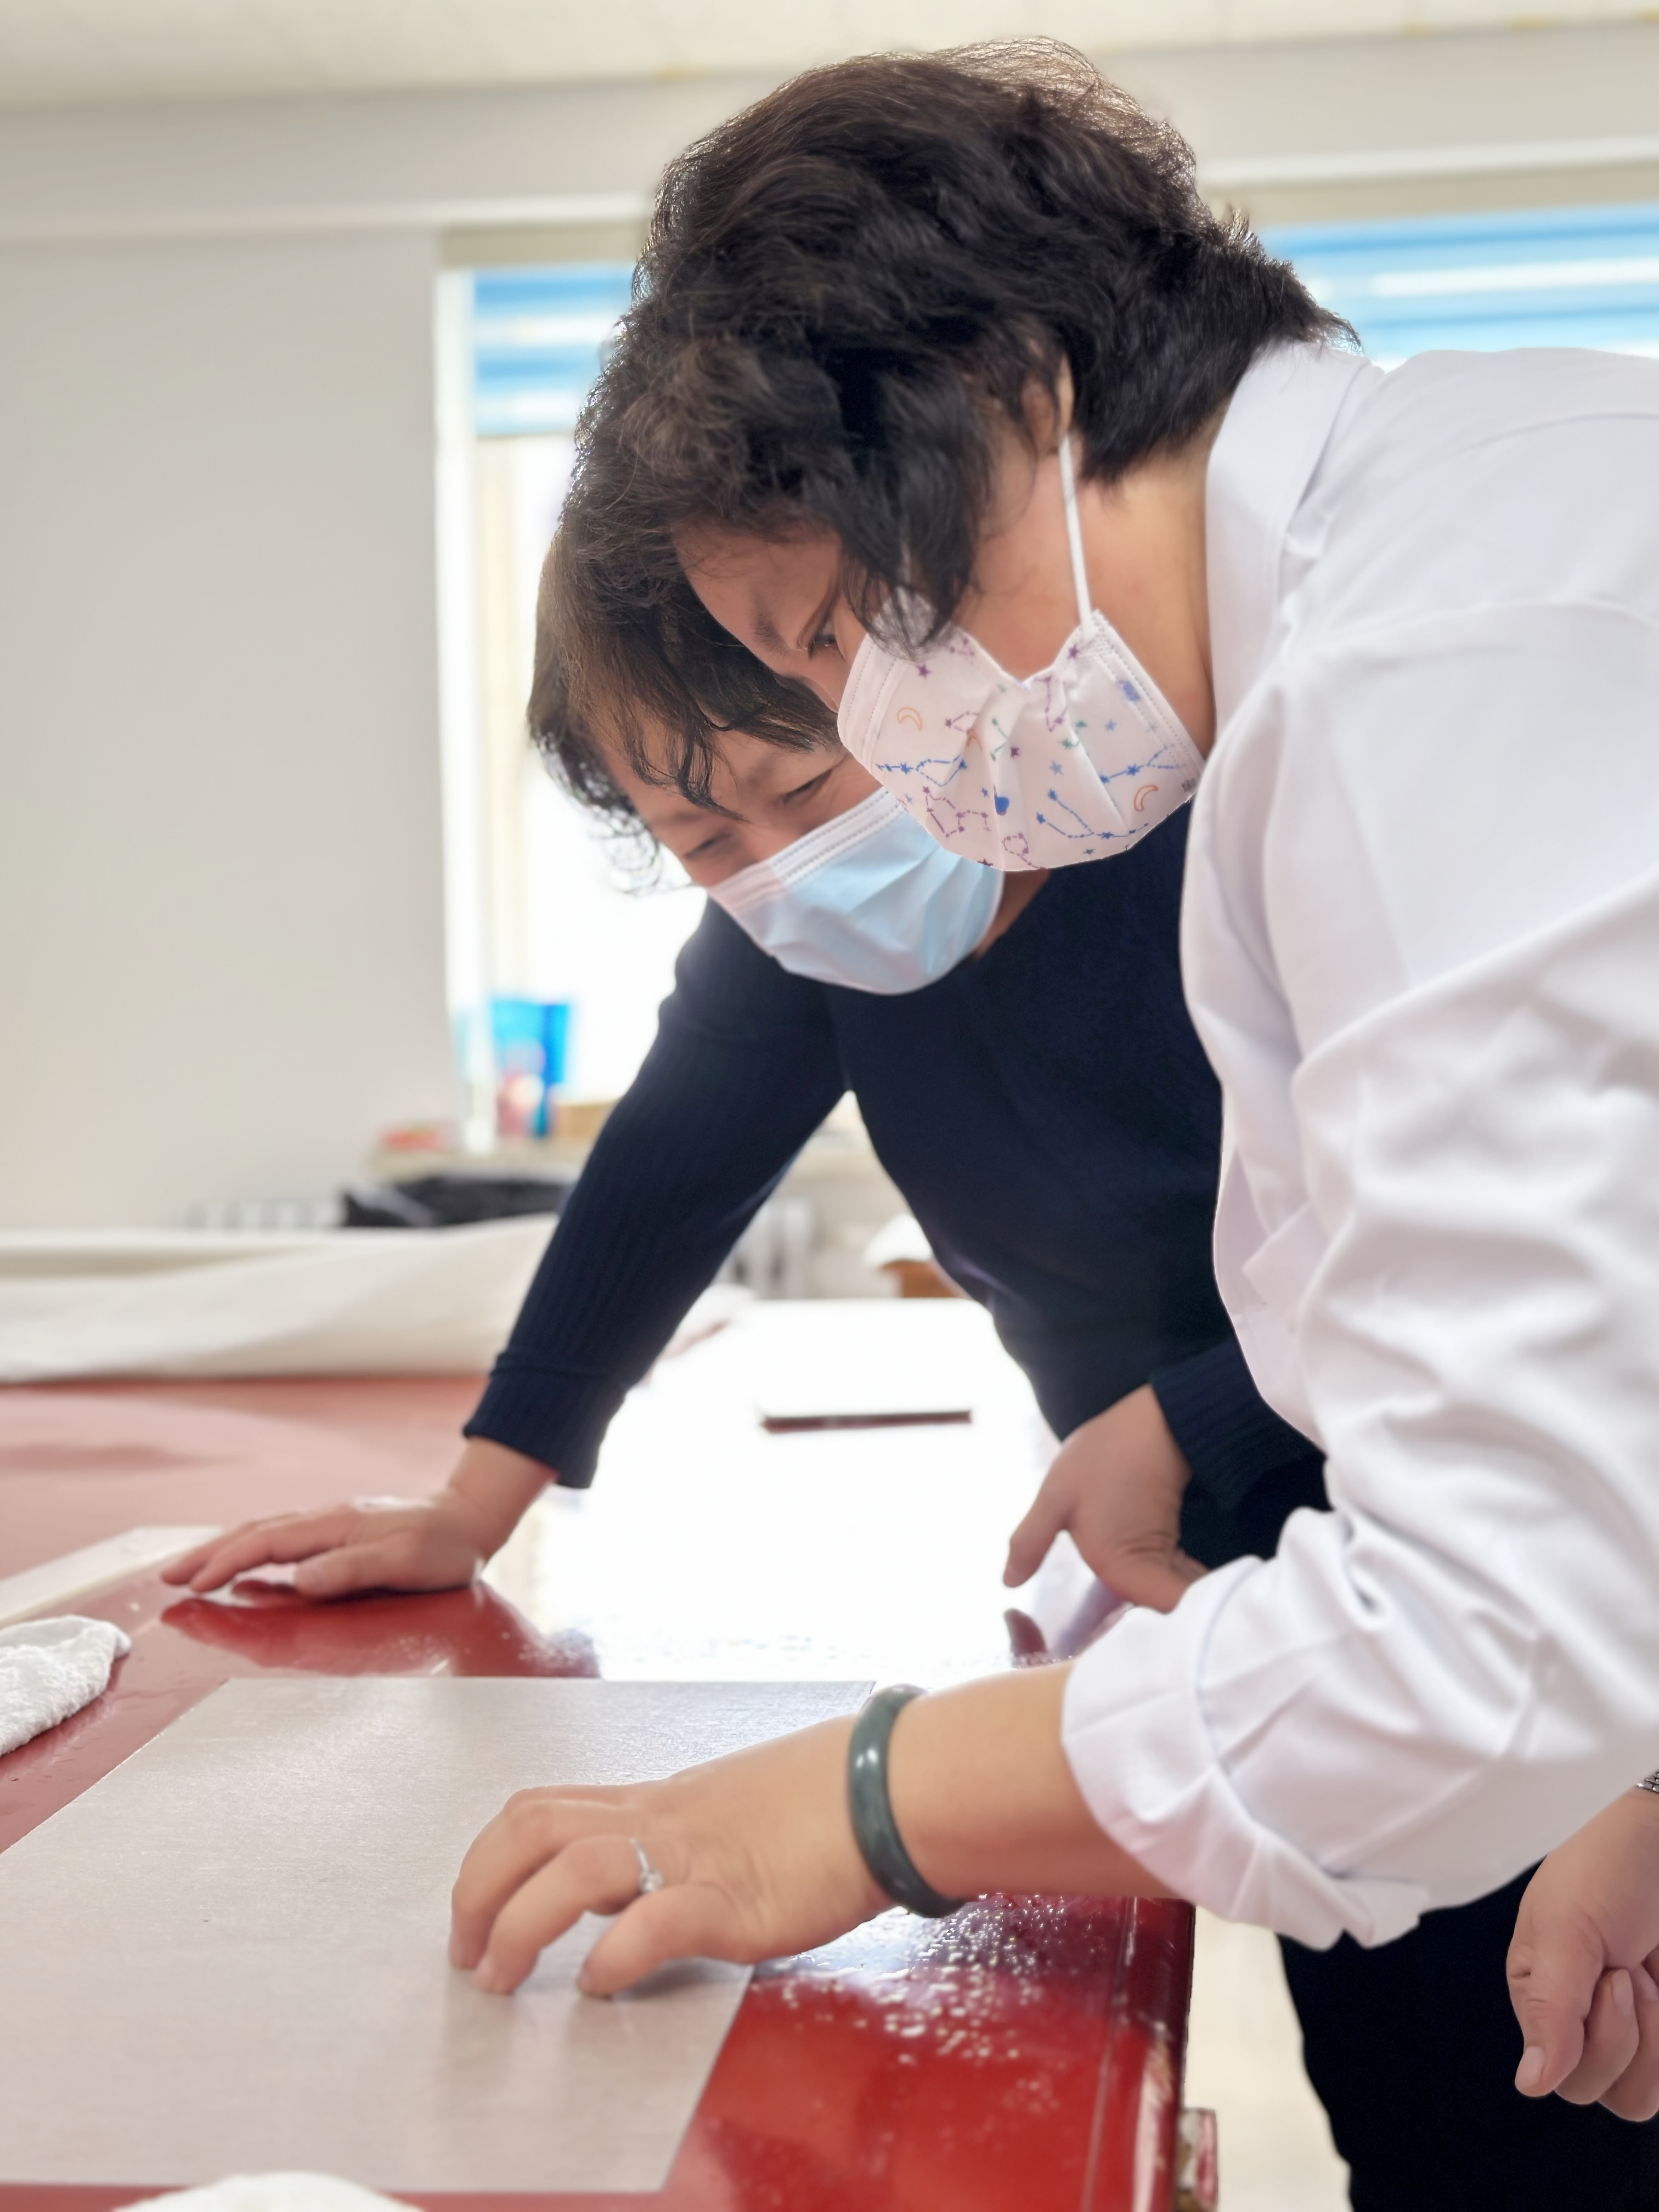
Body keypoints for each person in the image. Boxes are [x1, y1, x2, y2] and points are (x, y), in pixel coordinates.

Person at [436, 41, 1659, 2212]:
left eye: (844, 640)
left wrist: (864, 1802)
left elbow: (1486, 1625)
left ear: (1010, 396)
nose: (894, 735)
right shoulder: (1445, 525)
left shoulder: (1418, 671)